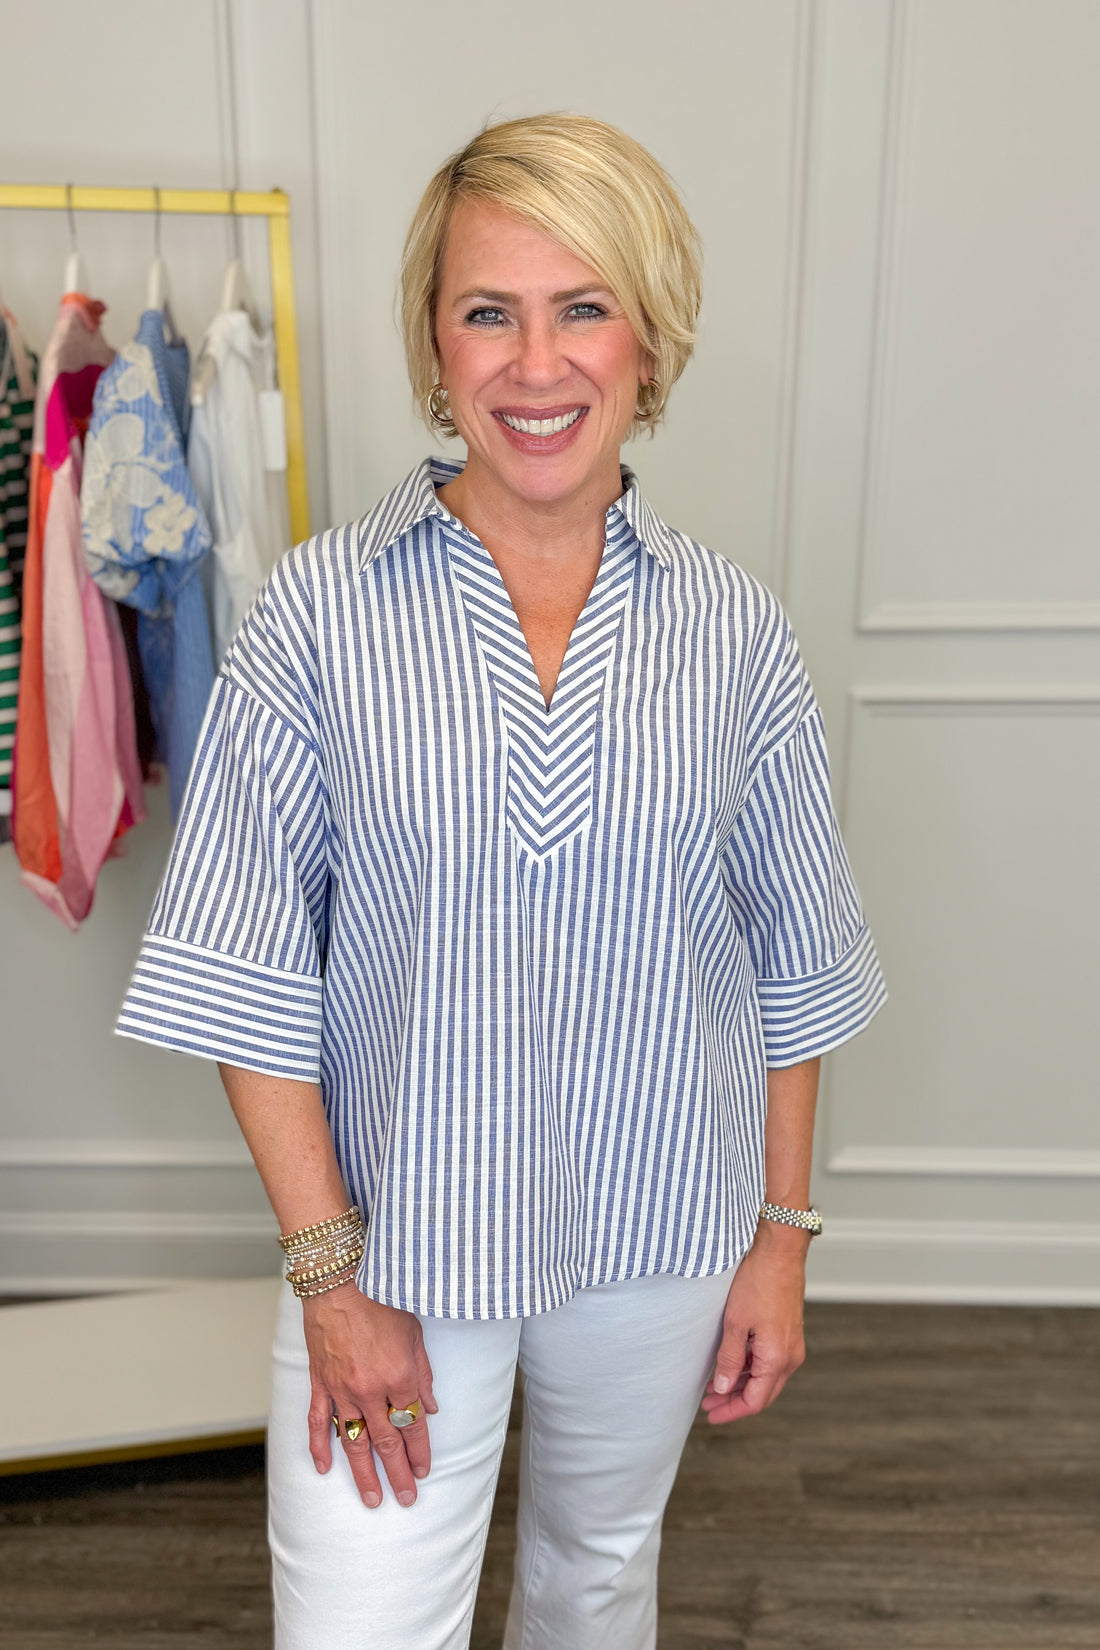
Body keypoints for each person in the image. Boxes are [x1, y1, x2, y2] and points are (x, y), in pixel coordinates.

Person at [117, 113, 886, 1650]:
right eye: (490, 310)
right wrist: (332, 1279)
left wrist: (782, 1235)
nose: (537, 364)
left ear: (652, 342)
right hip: (394, 1236)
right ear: (434, 339)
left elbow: (792, 958)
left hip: (666, 1222)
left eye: (583, 306)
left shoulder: (734, 633)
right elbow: (248, 975)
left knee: (596, 1577)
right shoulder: (320, 615)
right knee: (358, 1622)